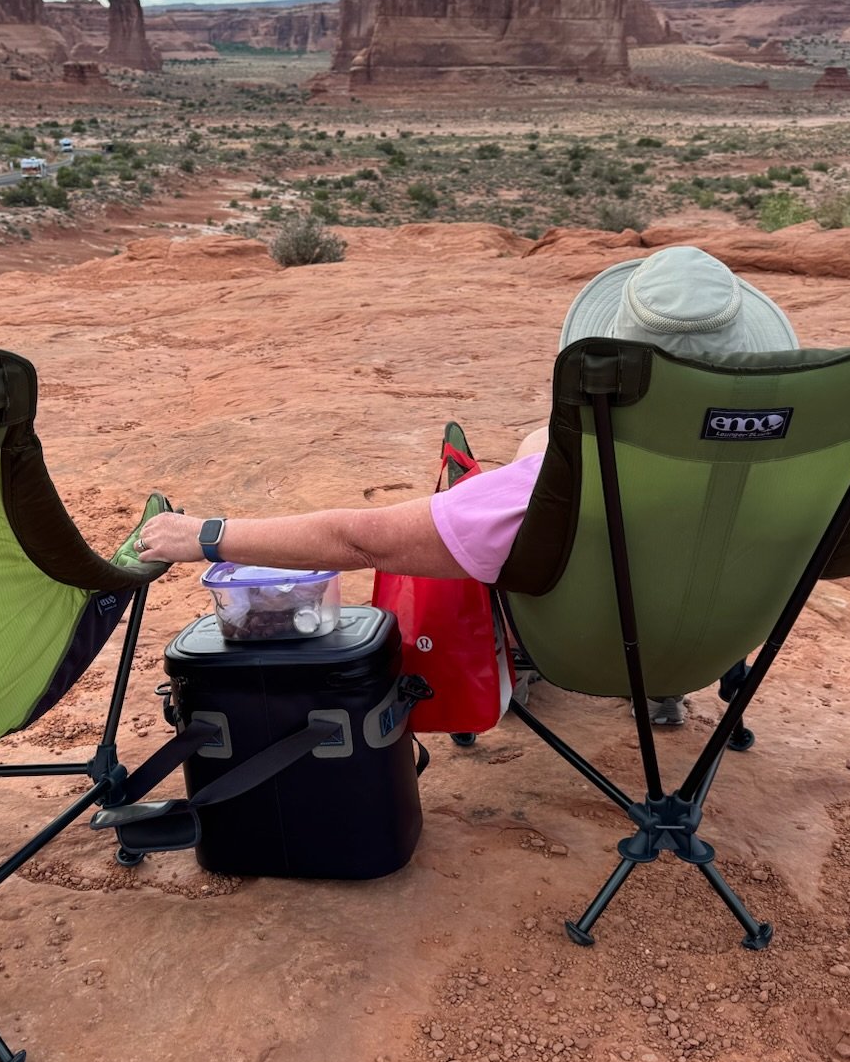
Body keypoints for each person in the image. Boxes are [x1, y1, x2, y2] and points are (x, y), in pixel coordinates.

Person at [135, 245, 799, 724]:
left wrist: (206, 535)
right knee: (546, 448)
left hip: (586, 651)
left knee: (531, 471)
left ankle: (522, 663)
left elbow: (365, 540)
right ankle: (663, 689)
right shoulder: (803, 472)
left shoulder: (559, 481)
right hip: (709, 644)